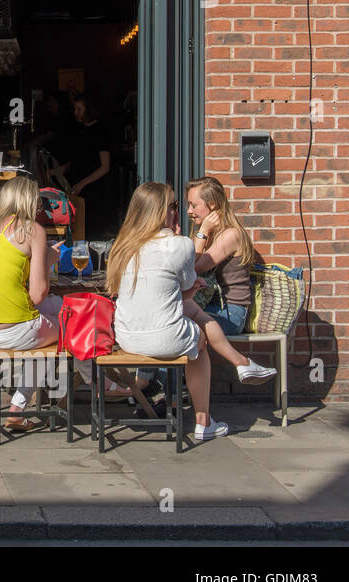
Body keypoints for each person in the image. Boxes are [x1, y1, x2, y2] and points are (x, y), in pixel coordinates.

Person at [106, 182, 272, 443]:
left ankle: (163, 397)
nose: (185, 211)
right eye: (176, 206)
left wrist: (198, 239)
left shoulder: (123, 246)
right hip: (181, 322)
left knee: (185, 319)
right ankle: (202, 417)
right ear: (159, 211)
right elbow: (189, 274)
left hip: (135, 333)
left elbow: (191, 272)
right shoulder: (180, 243)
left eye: (191, 205)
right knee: (194, 336)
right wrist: (199, 235)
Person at [0, 177, 124, 430]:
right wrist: (50, 259)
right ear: (31, 202)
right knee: (75, 328)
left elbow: (21, 289)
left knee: (58, 315)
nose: (41, 208)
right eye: (39, 202)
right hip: (14, 330)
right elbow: (38, 293)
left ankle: (18, 409)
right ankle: (98, 383)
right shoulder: (31, 230)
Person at [185, 175, 278, 376]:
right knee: (172, 323)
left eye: (193, 205)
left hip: (230, 313)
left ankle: (157, 387)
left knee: (180, 327)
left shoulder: (231, 235)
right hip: (207, 308)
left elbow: (195, 267)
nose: (189, 211)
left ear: (212, 206)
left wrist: (202, 232)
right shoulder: (206, 235)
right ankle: (157, 385)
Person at [61, 94, 114, 235]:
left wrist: (82, 184)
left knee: (91, 229)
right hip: (78, 189)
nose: (75, 113)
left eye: (79, 109)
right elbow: (77, 159)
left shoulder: (101, 132)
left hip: (94, 191)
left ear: (89, 109)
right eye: (74, 109)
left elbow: (105, 167)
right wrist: (59, 170)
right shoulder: (78, 131)